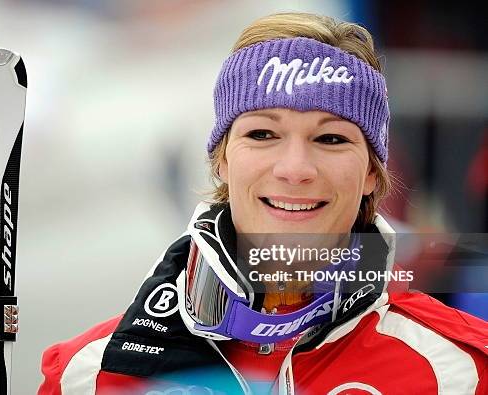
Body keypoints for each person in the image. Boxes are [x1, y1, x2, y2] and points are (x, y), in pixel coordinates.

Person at [38, 12, 488, 395]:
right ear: (222, 160)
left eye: (331, 138)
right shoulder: (88, 374)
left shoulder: (461, 370)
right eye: (262, 134)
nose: (295, 168)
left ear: (372, 173)